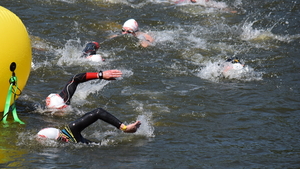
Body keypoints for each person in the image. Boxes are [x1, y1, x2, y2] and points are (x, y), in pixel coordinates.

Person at [37, 107, 141, 144]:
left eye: (61, 138)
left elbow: (98, 112)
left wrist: (124, 127)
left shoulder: (72, 129)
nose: (64, 141)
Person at [46, 70, 122, 109]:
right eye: (61, 109)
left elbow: (75, 79)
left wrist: (100, 75)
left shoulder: (65, 99)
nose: (65, 108)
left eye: (64, 106)